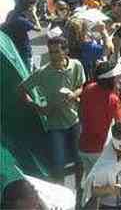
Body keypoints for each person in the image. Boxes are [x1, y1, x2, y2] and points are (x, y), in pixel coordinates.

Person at [18, 36, 85, 185]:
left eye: (57, 52)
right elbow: (22, 89)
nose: (53, 55)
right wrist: (38, 108)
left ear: (66, 51)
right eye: (51, 52)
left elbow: (81, 86)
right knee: (58, 165)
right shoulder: (43, 72)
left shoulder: (76, 66)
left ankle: (80, 191)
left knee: (79, 160)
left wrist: (73, 95)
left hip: (74, 121)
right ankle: (60, 197)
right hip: (55, 126)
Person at [79, 61, 121, 176]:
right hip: (100, 151)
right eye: (117, 77)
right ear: (111, 80)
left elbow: (81, 113)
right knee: (104, 185)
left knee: (91, 181)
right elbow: (120, 126)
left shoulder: (88, 88)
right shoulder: (113, 99)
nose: (120, 79)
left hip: (83, 147)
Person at [1, 0, 42, 69]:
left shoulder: (11, 13)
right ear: (29, 7)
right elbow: (39, 29)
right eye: (34, 6)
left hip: (14, 50)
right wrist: (34, 14)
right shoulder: (20, 21)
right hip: (23, 51)